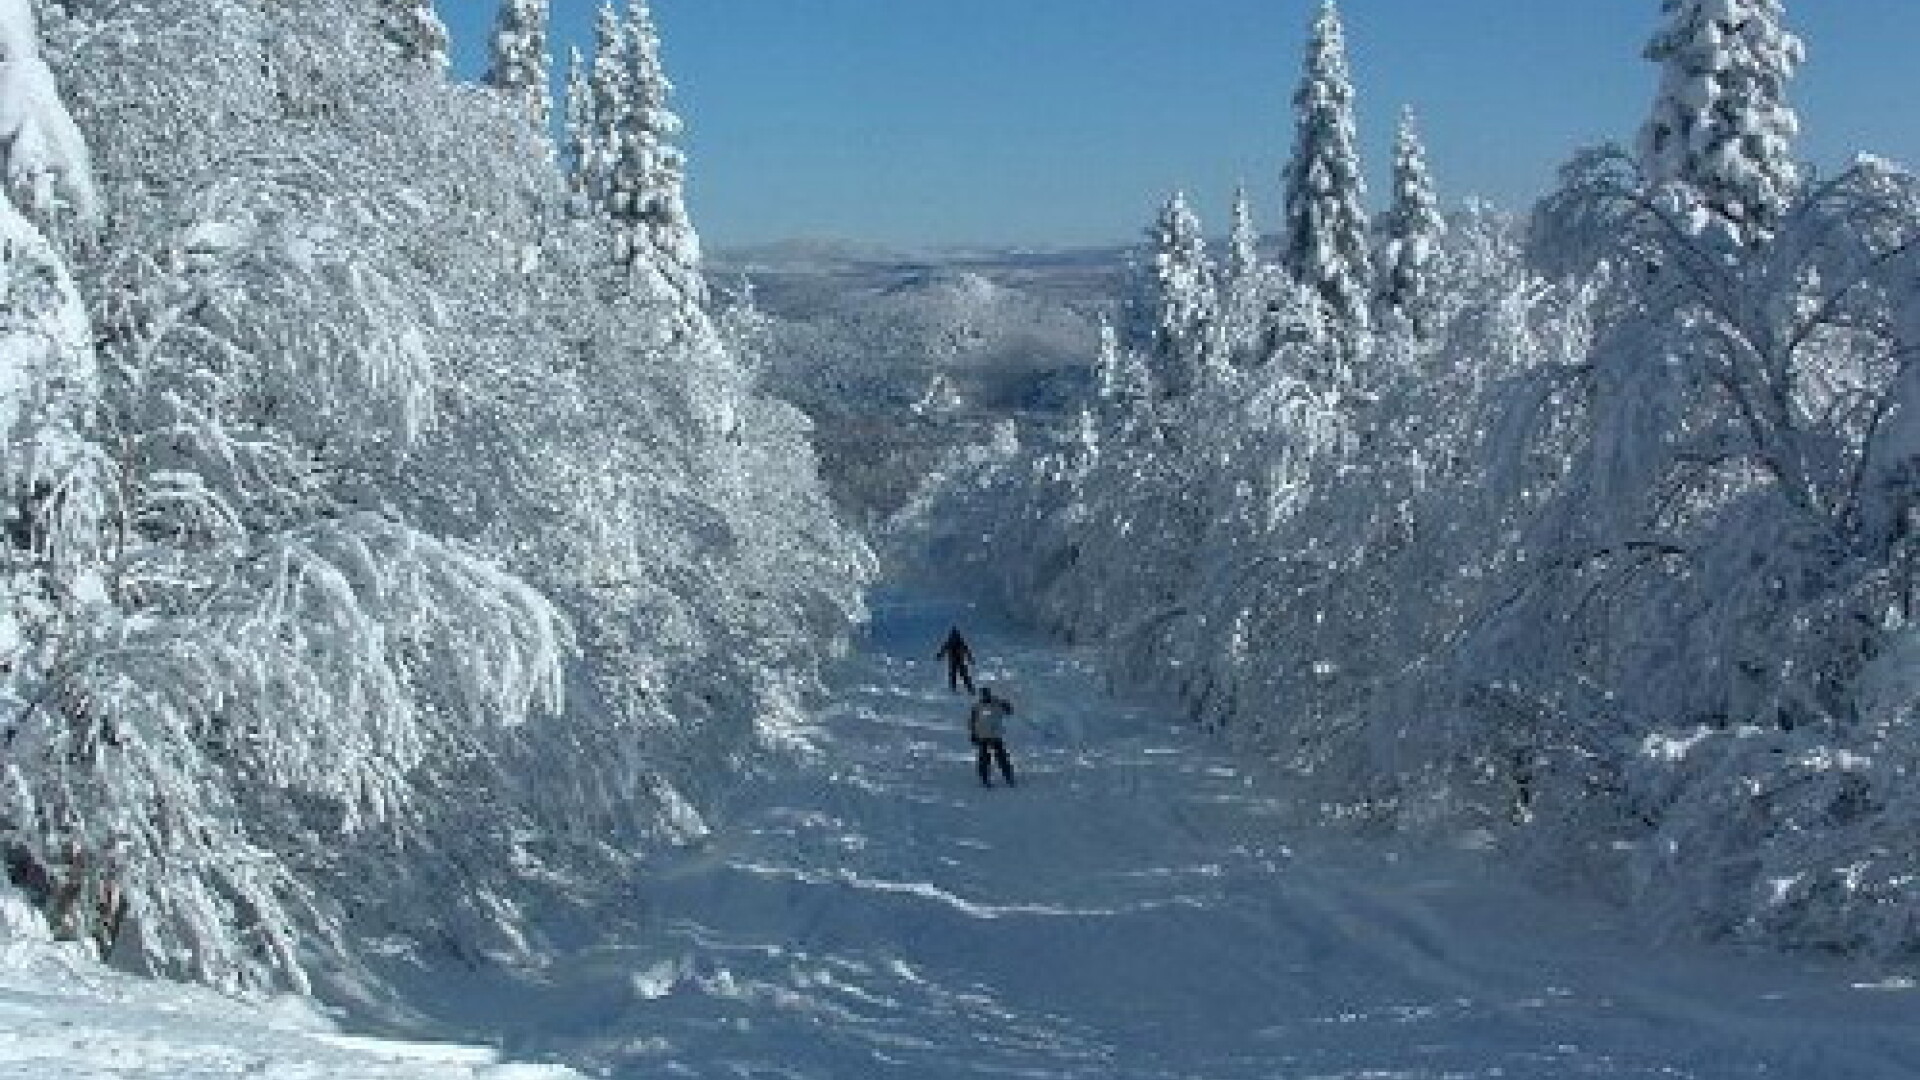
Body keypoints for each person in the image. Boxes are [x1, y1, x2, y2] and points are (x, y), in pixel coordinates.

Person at [968, 686, 1016, 788]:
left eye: (986, 695)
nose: (985, 697)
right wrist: (973, 734)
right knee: (984, 758)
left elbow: (1010, 710)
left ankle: (1008, 776)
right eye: (983, 695)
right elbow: (972, 722)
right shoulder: (977, 707)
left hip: (995, 735)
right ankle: (985, 778)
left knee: (1002, 757)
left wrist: (1006, 705)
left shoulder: (997, 704)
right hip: (982, 736)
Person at [935, 626, 975, 694]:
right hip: (959, 661)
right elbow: (967, 650)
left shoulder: (950, 641)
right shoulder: (960, 641)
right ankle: (970, 689)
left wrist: (939, 656)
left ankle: (955, 689)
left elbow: (943, 650)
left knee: (954, 676)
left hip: (953, 661)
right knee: (963, 676)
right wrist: (970, 659)